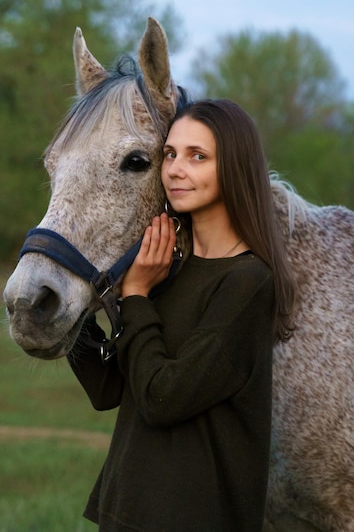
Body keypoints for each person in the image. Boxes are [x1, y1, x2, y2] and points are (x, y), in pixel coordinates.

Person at [67, 98, 296, 532]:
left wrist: (135, 295)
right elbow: (108, 387)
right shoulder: (164, 270)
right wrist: (62, 304)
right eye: (170, 154)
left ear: (235, 168)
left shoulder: (248, 282)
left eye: (198, 157)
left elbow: (162, 398)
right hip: (127, 510)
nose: (174, 169)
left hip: (191, 517)